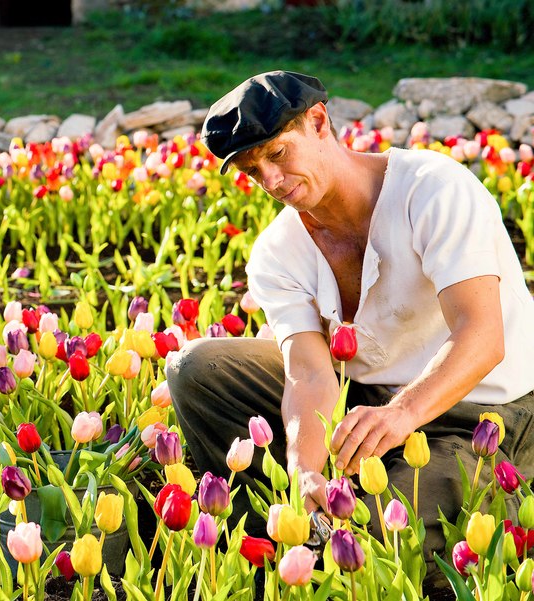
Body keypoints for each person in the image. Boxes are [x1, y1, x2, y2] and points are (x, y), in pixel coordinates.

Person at [166, 71, 534, 577]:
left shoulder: (432, 190)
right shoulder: (278, 252)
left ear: (319, 122)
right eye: (253, 171)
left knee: (379, 537)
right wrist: (304, 469)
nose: (270, 183)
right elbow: (309, 375)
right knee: (198, 367)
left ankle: (491, 494)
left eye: (276, 155)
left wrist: (403, 414)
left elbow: (482, 336)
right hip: (362, 403)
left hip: (483, 410)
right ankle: (287, 532)